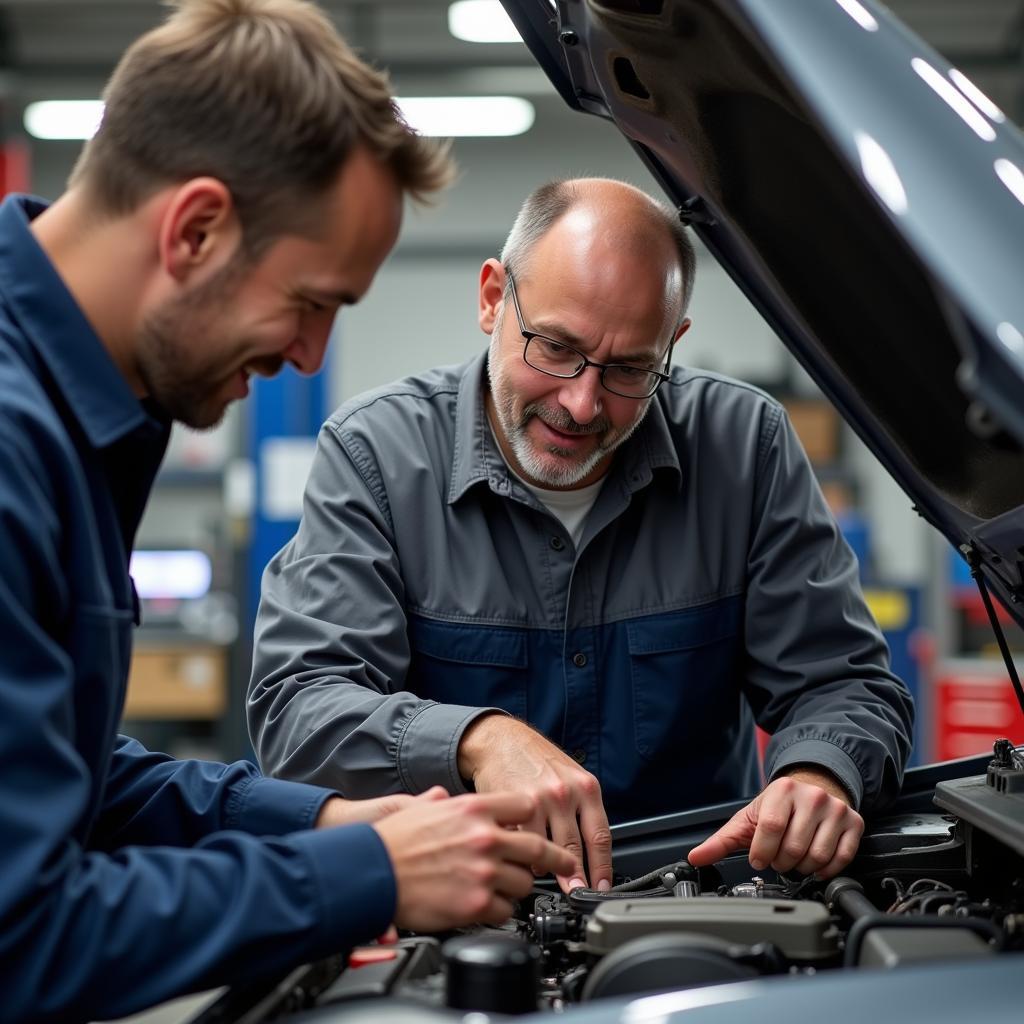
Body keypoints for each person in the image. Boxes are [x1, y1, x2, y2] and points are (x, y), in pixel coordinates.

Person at [0, 3, 576, 1021]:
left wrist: (332, 822)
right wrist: (364, 876)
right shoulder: (13, 449)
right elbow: (21, 933)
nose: (309, 358)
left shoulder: (67, 417)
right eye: (310, 302)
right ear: (196, 229)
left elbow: (75, 784)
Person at [248, 177, 915, 896]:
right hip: (464, 912)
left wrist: (819, 770)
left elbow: (843, 681)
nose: (581, 401)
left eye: (629, 368)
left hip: (703, 910)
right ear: (491, 298)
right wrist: (477, 739)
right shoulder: (376, 455)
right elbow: (299, 709)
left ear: (673, 343)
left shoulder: (743, 448)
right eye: (556, 348)